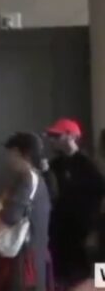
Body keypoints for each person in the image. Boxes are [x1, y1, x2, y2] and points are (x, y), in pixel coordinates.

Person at [0, 132, 52, 291]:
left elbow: (10, 216)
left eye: (11, 153)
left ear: (22, 154)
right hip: (33, 253)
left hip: (23, 256)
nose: (8, 158)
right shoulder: (35, 178)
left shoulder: (27, 180)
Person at [45, 118, 105, 288]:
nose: (52, 140)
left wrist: (93, 229)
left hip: (83, 233)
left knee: (94, 275)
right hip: (61, 233)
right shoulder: (54, 165)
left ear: (71, 136)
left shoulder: (89, 167)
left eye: (56, 136)